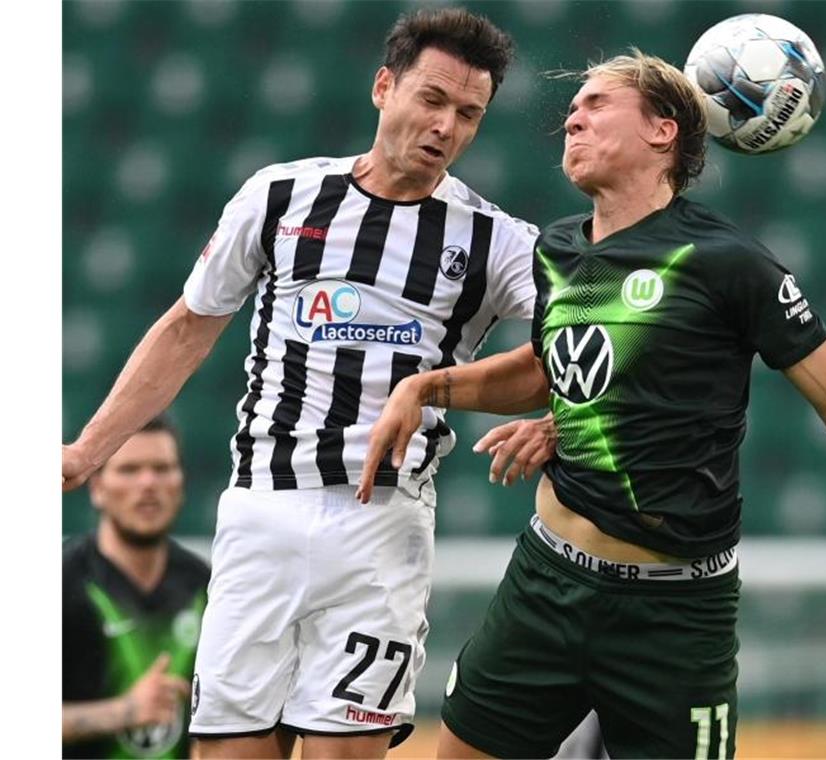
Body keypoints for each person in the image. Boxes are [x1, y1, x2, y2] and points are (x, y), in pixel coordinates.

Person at [356, 50, 826, 758]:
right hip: (545, 585)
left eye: (599, 103)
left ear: (663, 131)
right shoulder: (558, 249)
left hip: (675, 613)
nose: (573, 116)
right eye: (575, 108)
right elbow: (555, 368)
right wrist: (431, 387)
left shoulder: (730, 264)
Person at [62, 8, 540, 758]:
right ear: (385, 87)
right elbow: (190, 326)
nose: (446, 126)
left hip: (381, 529)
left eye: (468, 114)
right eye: (432, 99)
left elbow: (578, 352)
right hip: (262, 516)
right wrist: (89, 450)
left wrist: (556, 418)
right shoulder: (281, 197)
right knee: (227, 749)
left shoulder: (497, 239)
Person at [62, 416, 209, 759]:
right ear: (97, 488)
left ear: (181, 483)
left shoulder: (207, 586)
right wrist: (126, 711)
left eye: (162, 468)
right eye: (130, 470)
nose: (148, 483)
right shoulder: (57, 584)